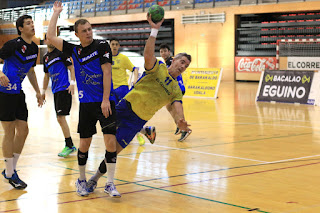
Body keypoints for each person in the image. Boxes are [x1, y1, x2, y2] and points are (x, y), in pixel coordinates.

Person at [86, 13, 192, 193]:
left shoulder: (176, 88)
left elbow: (176, 107)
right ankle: (145, 132)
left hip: (137, 120)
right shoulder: (157, 67)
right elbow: (148, 54)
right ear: (173, 60)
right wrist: (154, 30)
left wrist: (180, 120)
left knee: (114, 150)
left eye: (186, 66)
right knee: (93, 125)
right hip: (125, 106)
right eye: (181, 62)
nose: (183, 66)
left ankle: (97, 179)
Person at [47, 1, 120, 197]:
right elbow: (50, 37)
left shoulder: (102, 45)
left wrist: (106, 99)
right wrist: (56, 13)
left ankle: (110, 183)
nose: (89, 33)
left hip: (105, 102)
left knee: (111, 142)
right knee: (85, 144)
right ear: (77, 34)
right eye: (84, 31)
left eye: (90, 29)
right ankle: (81, 179)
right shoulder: (73, 50)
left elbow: (107, 73)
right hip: (87, 104)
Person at [0, 15, 44, 189]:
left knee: (23, 130)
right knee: (9, 131)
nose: (32, 25)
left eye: (32, 22)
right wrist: (0, 73)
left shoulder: (34, 48)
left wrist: (38, 92)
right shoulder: (12, 45)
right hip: (4, 92)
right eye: (28, 23)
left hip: (18, 92)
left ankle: (10, 170)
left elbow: (31, 71)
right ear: (20, 28)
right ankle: (10, 173)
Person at [41, 34, 77, 157]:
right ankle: (70, 144)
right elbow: (46, 76)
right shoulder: (45, 57)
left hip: (64, 89)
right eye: (48, 38)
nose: (50, 40)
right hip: (55, 91)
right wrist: (43, 91)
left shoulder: (61, 52)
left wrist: (72, 83)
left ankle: (70, 145)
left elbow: (72, 68)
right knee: (60, 118)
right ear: (46, 40)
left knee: (60, 118)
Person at [109, 37, 146, 146]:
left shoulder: (123, 58)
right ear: (110, 46)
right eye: (113, 44)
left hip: (122, 88)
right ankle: (119, 136)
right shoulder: (106, 58)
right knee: (115, 115)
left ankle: (139, 134)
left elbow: (135, 69)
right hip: (111, 90)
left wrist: (134, 81)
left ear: (119, 46)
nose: (115, 46)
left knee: (129, 113)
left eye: (116, 44)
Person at [159, 43, 191, 142]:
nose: (163, 53)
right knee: (169, 107)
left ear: (169, 52)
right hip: (172, 88)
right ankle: (178, 124)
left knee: (177, 108)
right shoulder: (166, 62)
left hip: (177, 87)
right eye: (161, 51)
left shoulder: (170, 61)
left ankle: (184, 128)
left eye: (165, 51)